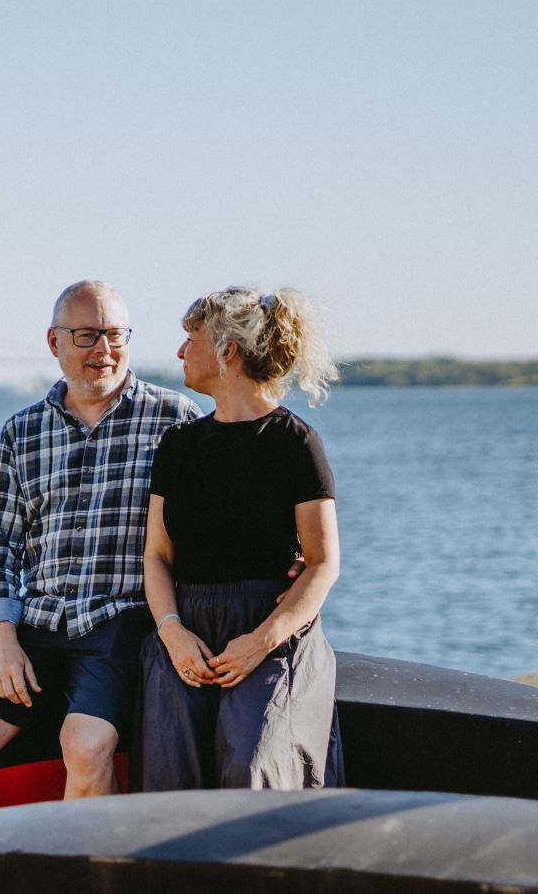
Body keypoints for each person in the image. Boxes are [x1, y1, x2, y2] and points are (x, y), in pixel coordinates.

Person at [0, 280, 201, 815]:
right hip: (37, 622)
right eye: (86, 336)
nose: (104, 350)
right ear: (54, 342)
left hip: (124, 619)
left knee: (86, 745)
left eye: (115, 335)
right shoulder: (21, 432)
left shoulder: (176, 421)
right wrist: (2, 636)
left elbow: (220, 520)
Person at [137, 285, 342, 791]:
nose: (181, 351)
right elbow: (158, 556)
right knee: (171, 778)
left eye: (191, 338)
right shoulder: (179, 444)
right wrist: (172, 633)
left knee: (254, 767)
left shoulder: (295, 443)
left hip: (271, 632)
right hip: (185, 633)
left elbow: (322, 564)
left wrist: (260, 642)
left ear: (227, 349)